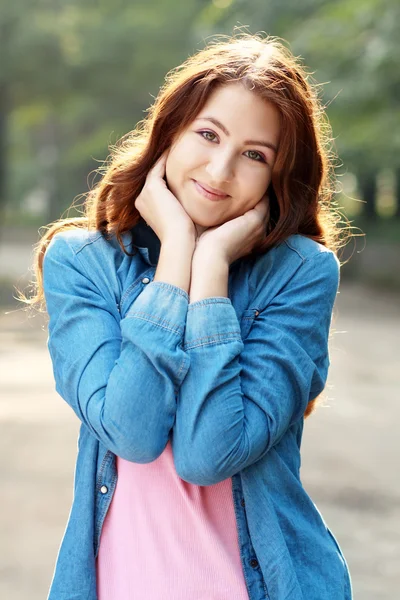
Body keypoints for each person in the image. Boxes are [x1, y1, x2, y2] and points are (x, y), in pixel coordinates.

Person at [25, 33, 352, 600]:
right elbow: (133, 432)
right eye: (207, 134)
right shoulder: (82, 263)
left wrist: (213, 273)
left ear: (279, 176)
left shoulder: (301, 273)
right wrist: (179, 253)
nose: (221, 170)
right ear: (168, 132)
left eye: (255, 154)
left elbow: (209, 454)